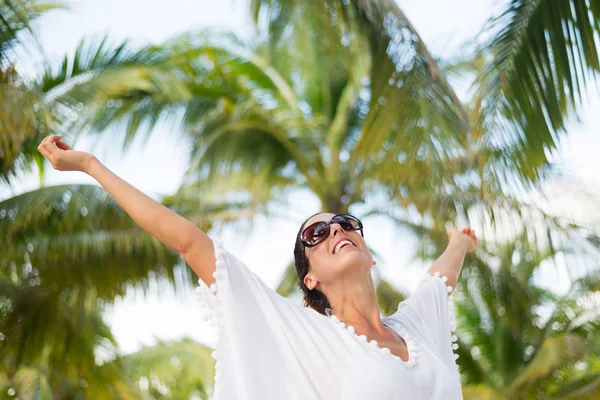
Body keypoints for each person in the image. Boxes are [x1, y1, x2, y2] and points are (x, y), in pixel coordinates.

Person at [38, 135, 477, 400]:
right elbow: (189, 241)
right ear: (311, 278)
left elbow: (440, 278)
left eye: (345, 224)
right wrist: (91, 166)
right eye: (316, 234)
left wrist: (458, 242)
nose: (335, 231)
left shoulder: (415, 328)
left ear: (368, 251)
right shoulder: (308, 334)